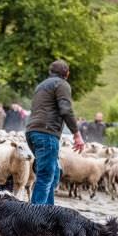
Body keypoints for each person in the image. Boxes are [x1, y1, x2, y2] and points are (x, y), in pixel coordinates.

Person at [26, 60, 84, 205]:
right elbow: (66, 109)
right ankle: (35, 217)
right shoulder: (62, 84)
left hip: (32, 131)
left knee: (53, 173)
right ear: (67, 73)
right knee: (46, 176)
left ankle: (49, 214)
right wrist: (76, 134)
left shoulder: (41, 86)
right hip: (46, 133)